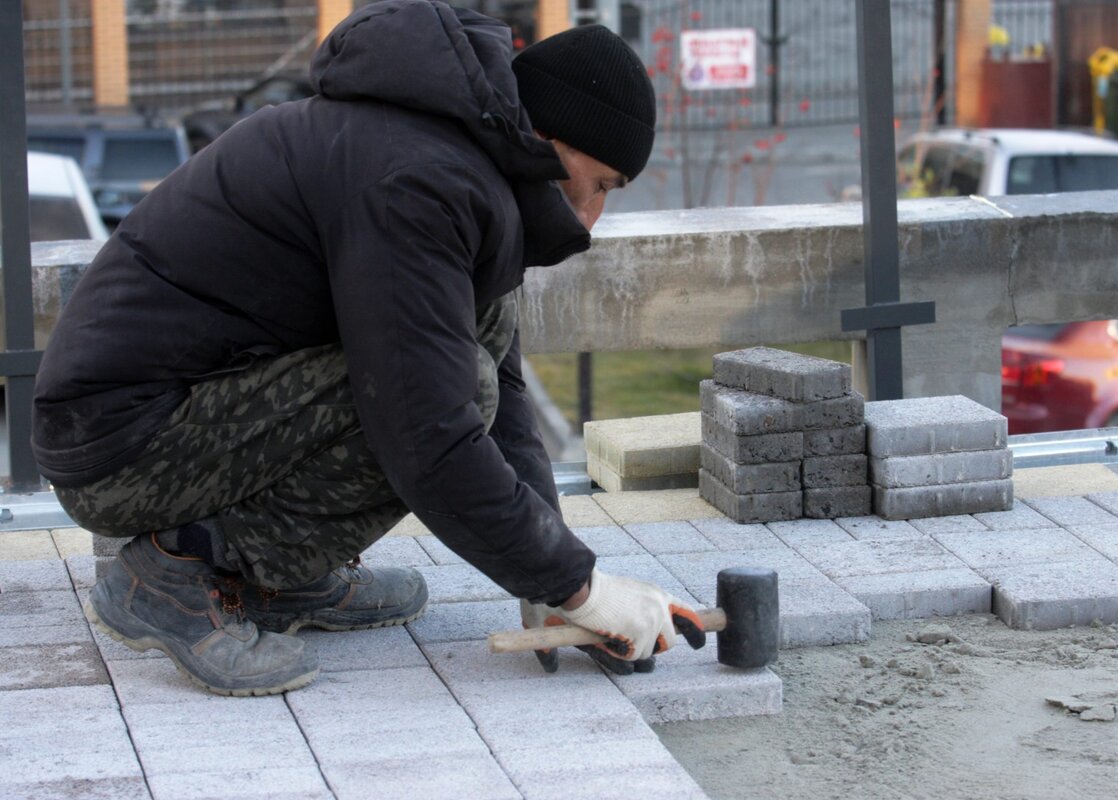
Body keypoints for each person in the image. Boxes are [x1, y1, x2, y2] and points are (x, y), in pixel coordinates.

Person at [31, 0, 704, 696]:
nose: (590, 218)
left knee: (476, 352)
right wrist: (583, 590)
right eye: (596, 185)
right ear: (542, 134)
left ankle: (278, 574)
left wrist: (551, 572)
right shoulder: (416, 178)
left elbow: (506, 393)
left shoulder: (454, 161)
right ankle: (177, 570)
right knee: (437, 396)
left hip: (183, 408)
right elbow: (428, 434)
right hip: (116, 443)